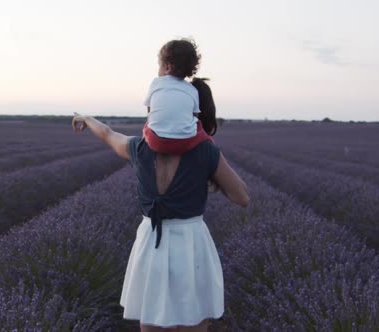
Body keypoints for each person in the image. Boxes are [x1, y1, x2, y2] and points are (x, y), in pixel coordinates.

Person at [71, 40, 248, 332]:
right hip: (192, 245)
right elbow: (242, 197)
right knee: (194, 320)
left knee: (152, 322)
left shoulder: (139, 149)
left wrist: (87, 118)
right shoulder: (205, 151)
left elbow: (108, 134)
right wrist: (213, 174)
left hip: (151, 244)